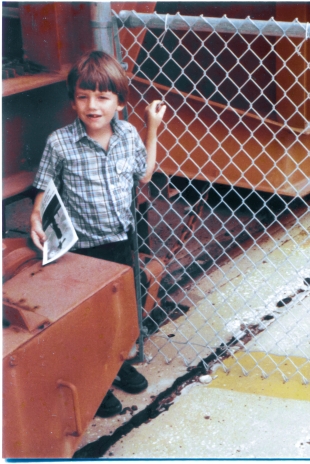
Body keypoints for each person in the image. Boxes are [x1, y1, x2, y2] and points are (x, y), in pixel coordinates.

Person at [30, 50, 167, 418]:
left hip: (123, 240)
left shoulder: (128, 134)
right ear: (73, 99)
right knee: (91, 319)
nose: (93, 106)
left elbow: (144, 174)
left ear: (119, 103)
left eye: (103, 97)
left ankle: (116, 362)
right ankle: (97, 380)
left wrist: (152, 126)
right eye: (83, 96)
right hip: (84, 250)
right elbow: (43, 184)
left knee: (121, 312)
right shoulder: (60, 143)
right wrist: (35, 214)